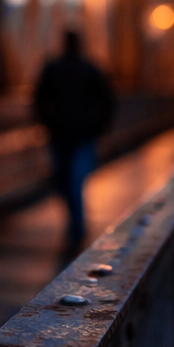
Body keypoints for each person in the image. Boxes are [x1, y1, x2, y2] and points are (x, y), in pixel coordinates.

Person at [34, 30, 115, 252]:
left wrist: (47, 123)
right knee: (72, 182)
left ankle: (76, 231)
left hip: (62, 134)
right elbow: (107, 100)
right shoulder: (90, 68)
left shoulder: (54, 67)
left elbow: (38, 98)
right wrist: (99, 128)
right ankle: (76, 228)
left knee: (67, 181)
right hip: (81, 134)